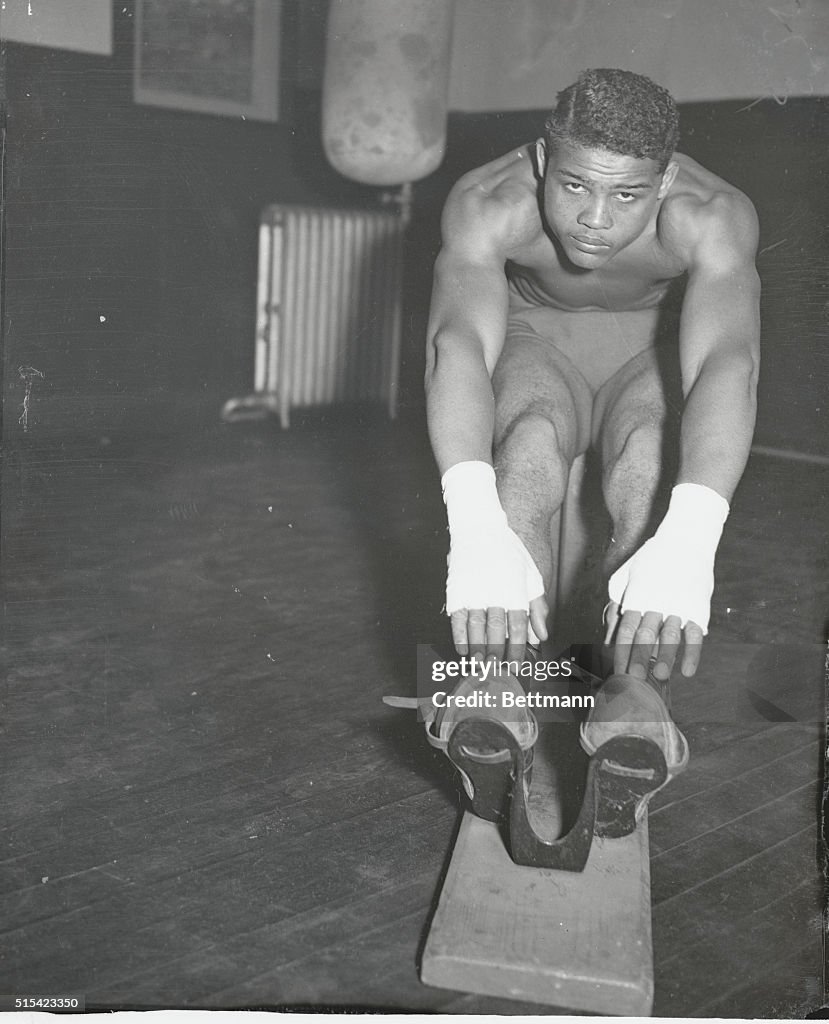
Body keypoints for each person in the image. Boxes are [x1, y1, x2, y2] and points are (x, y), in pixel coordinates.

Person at [425, 68, 760, 686]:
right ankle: (495, 685)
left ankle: (634, 698)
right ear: (543, 158)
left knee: (646, 464)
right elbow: (459, 343)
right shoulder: (490, 203)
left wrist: (693, 534)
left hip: (647, 353)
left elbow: (726, 362)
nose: (595, 219)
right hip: (537, 343)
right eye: (574, 185)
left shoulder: (712, 215)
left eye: (628, 195)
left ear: (666, 182)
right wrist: (471, 525)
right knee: (526, 448)